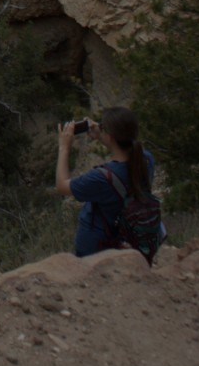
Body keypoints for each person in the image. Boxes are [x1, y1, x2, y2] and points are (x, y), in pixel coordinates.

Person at [55, 106, 162, 258]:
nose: (99, 127)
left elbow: (62, 185)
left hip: (97, 248)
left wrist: (64, 147)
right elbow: (124, 147)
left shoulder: (102, 178)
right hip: (128, 239)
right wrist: (101, 135)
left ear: (110, 136)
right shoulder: (146, 159)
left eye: (102, 126)